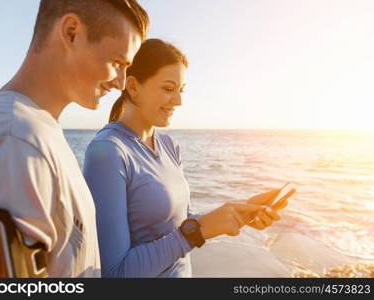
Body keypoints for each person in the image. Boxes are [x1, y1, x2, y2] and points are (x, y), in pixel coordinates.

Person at [0, 0, 149, 277]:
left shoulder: (36, 132)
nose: (121, 83)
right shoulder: (14, 141)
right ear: (71, 32)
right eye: (117, 63)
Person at [83, 39, 287, 278]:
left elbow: (181, 226)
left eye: (181, 90)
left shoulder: (169, 145)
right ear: (133, 86)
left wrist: (236, 215)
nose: (178, 101)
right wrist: (196, 231)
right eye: (168, 89)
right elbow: (114, 274)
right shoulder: (107, 152)